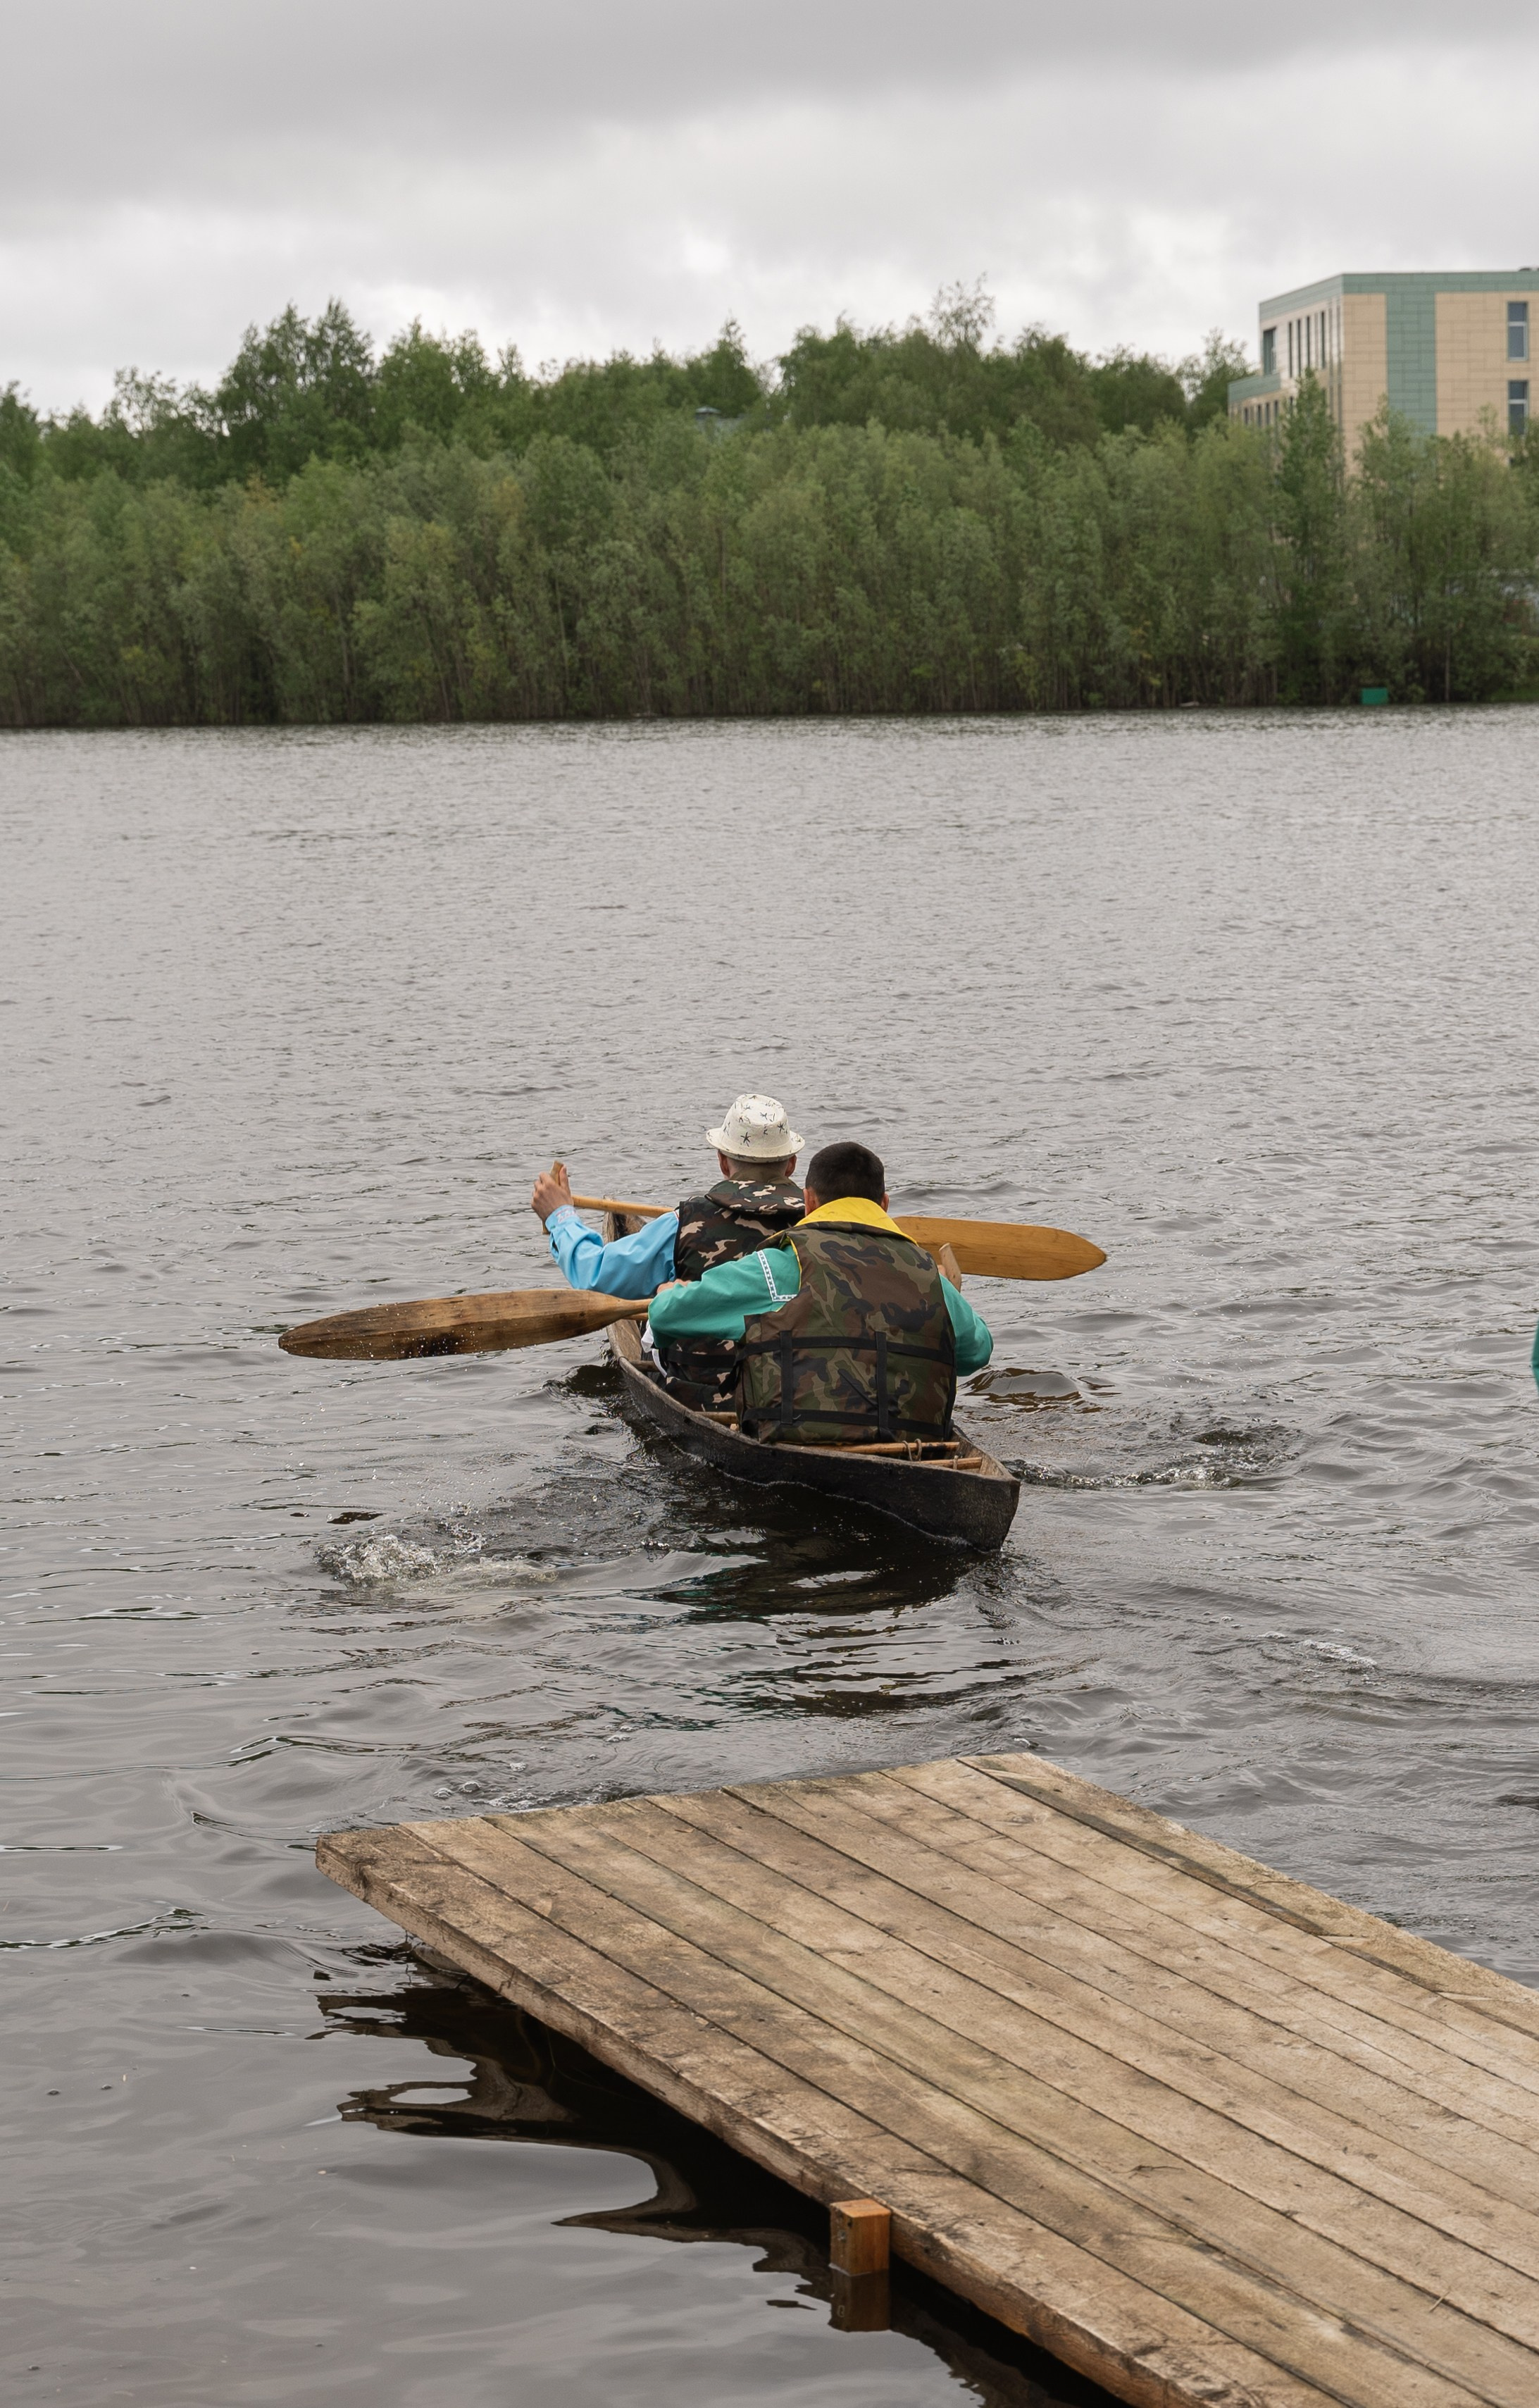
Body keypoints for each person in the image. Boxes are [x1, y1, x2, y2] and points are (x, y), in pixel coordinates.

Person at [647, 1139, 991, 1445]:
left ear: (808, 1201)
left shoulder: (780, 1265)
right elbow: (975, 1352)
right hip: (910, 1445)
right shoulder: (928, 1273)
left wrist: (668, 1292)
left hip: (802, 1440)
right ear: (884, 1204)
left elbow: (666, 1316)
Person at [530, 1093, 806, 1405]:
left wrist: (561, 1217)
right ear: (792, 1164)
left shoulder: (683, 1222)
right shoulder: (820, 1222)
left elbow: (594, 1275)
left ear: (723, 1162)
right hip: (793, 1395)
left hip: (705, 1397)